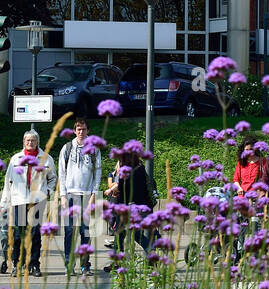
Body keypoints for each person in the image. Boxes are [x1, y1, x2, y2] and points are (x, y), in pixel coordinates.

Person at [1, 130, 56, 276]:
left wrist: (47, 192)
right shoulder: (15, 159)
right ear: (24, 142)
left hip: (37, 201)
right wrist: (4, 203)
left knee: (35, 234)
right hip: (19, 200)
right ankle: (17, 265)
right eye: (27, 140)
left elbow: (53, 178)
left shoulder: (46, 158)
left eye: (33, 140)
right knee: (18, 235)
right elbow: (8, 182)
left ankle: (34, 265)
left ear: (37, 142)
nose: (30, 143)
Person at [59, 117, 101, 275]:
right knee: (69, 231)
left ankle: (85, 265)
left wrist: (94, 195)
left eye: (83, 129)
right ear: (74, 131)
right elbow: (61, 173)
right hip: (70, 194)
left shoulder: (94, 149)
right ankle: (69, 265)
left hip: (86, 196)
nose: (81, 132)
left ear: (88, 130)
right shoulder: (67, 148)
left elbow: (98, 173)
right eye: (78, 129)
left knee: (85, 231)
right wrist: (62, 195)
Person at [103, 148, 154, 271]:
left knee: (127, 234)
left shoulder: (127, 171)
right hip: (142, 206)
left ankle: (119, 262)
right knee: (125, 235)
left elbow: (124, 193)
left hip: (130, 208)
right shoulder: (140, 168)